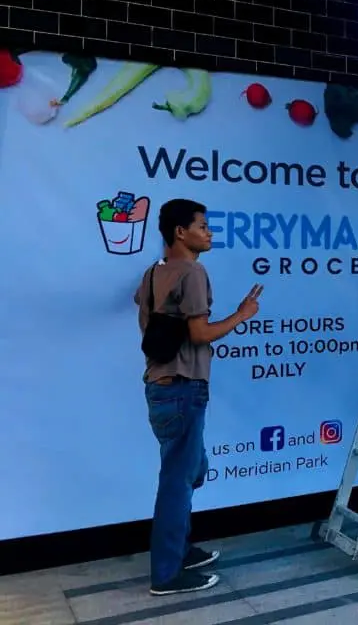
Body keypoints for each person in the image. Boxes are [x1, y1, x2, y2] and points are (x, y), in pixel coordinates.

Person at [136, 199, 263, 595]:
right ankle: (167, 574)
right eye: (203, 227)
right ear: (180, 232)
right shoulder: (193, 273)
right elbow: (200, 334)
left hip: (160, 388)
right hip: (183, 387)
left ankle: (180, 549)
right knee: (177, 480)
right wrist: (243, 313)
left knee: (190, 470)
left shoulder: (154, 272)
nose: (209, 233)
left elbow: (143, 307)